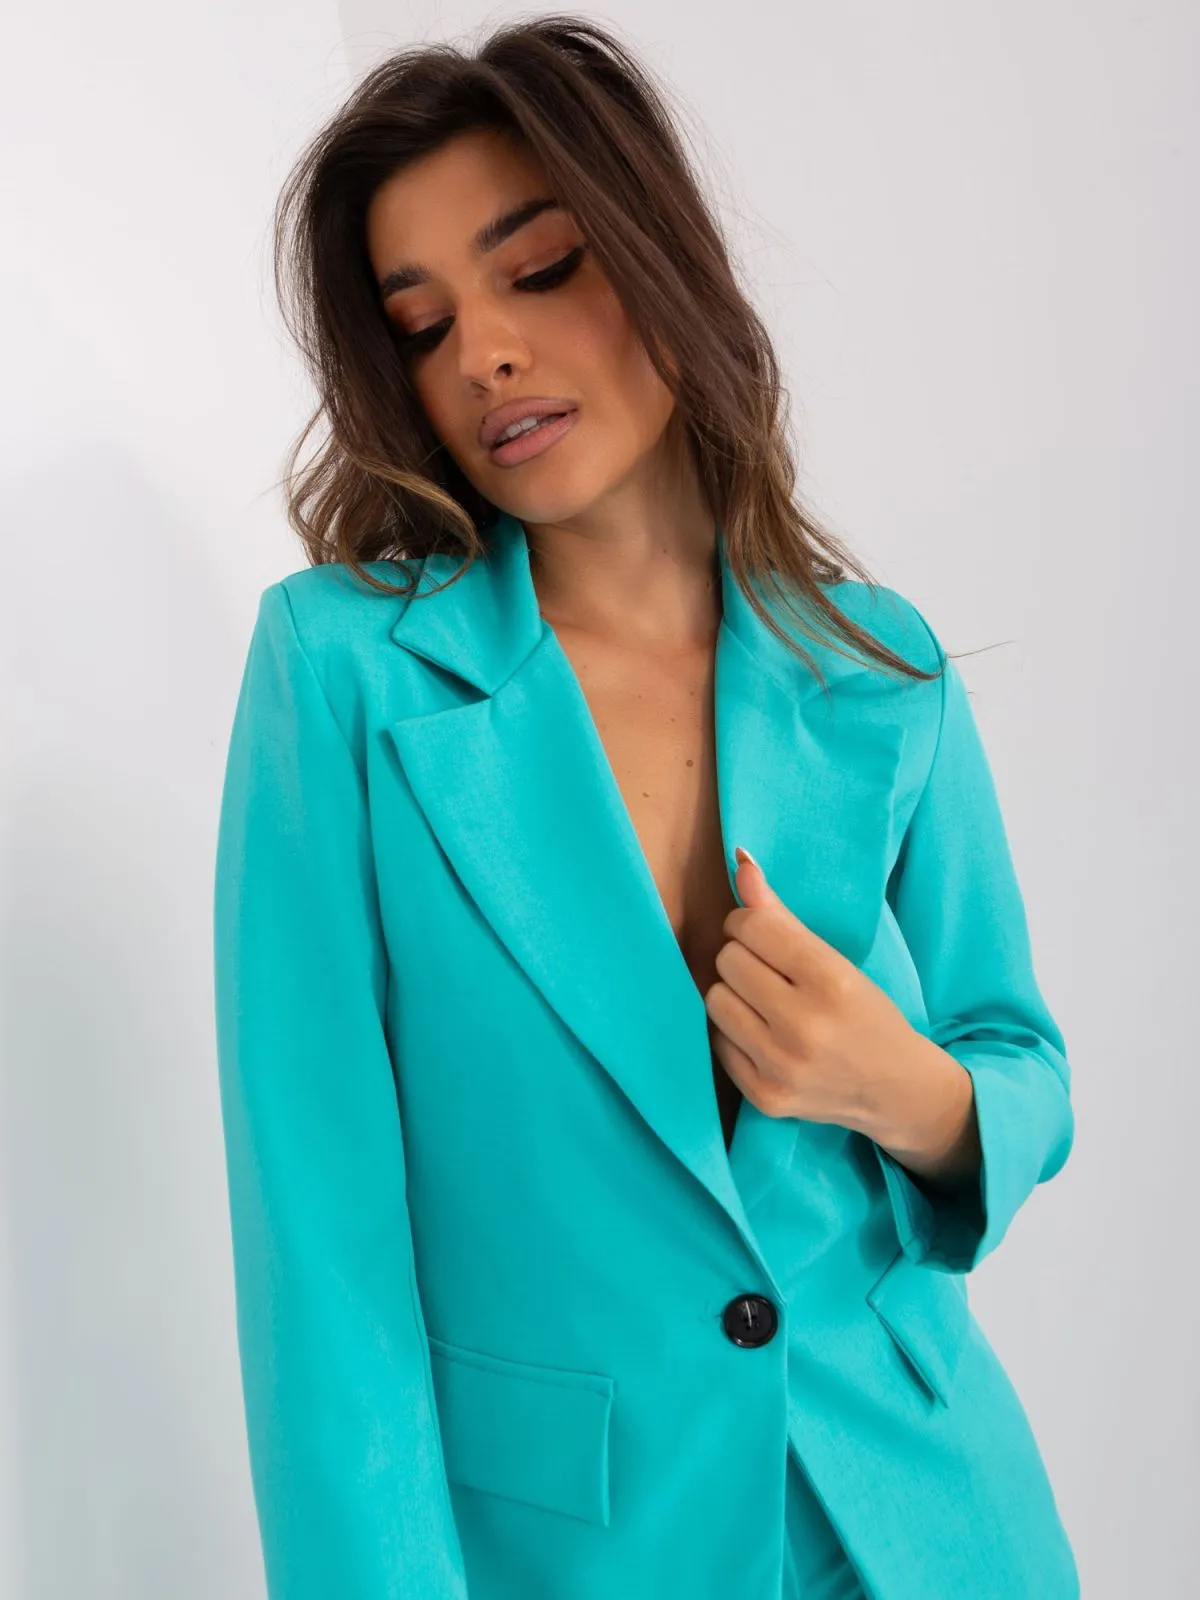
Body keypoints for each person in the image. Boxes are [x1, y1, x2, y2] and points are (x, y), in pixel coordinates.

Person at [212, 16, 1079, 1600]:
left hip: (928, 1525)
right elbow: (324, 1272)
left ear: (660, 257)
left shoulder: (879, 670)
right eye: (424, 324)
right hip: (580, 1555)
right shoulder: (343, 679)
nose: (483, 354)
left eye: (539, 270)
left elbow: (1019, 1060)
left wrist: (906, 1089)